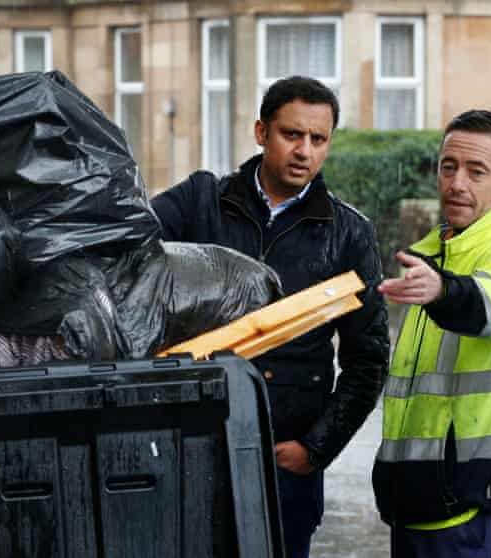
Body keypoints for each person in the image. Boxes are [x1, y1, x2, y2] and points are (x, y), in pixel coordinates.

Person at [151, 76, 390, 558]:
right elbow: (126, 246)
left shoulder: (348, 234)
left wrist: (316, 449)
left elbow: (369, 360)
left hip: (285, 465)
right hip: (192, 447)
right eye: (291, 134)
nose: (304, 150)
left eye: (318, 139)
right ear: (261, 132)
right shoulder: (201, 201)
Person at [373, 109, 491, 557]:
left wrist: (442, 290)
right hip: (413, 506)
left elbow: (488, 306)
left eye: (477, 171)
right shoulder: (432, 255)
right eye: (448, 167)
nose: (457, 183)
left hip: (474, 514)